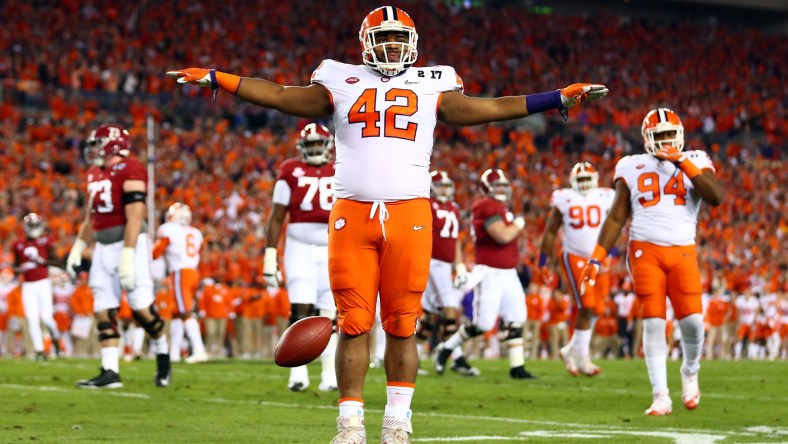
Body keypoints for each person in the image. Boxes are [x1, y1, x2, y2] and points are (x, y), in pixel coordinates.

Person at [169, 6, 607, 442]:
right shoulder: (338, 77)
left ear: (412, 44)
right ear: (366, 44)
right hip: (352, 215)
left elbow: (489, 107)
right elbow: (283, 96)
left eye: (400, 39)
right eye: (384, 39)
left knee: (402, 323)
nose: (393, 46)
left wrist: (556, 98)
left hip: (409, 214)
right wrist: (218, 78)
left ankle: (398, 423)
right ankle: (350, 426)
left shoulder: (434, 82)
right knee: (354, 321)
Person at [579, 108, 723, 415]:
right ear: (647, 140)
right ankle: (661, 395)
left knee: (694, 323)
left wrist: (683, 164)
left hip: (682, 250)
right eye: (660, 136)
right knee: (654, 322)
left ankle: (690, 369)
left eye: (671, 135)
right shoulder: (631, 165)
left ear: (681, 135)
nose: (667, 141)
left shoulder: (695, 159)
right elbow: (617, 216)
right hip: (644, 250)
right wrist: (596, 258)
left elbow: (716, 197)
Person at [65, 124, 171, 389]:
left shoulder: (131, 168)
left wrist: (127, 253)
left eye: (97, 143)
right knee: (102, 307)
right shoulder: (93, 173)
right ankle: (110, 371)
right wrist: (78, 247)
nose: (93, 149)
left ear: (112, 144)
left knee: (141, 309)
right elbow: (91, 217)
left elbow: (135, 215)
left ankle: (162, 349)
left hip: (130, 245)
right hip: (102, 247)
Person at [435, 169, 536, 380]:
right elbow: (502, 236)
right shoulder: (485, 205)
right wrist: (518, 223)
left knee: (517, 317)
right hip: (490, 273)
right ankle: (446, 348)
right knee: (483, 324)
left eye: (504, 186)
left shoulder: (500, 207)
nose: (502, 189)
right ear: (487, 188)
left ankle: (517, 367)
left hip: (509, 274)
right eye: (497, 185)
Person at [263, 123, 338, 392]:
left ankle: (329, 373)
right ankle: (297, 371)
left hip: (332, 246)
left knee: (330, 314)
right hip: (299, 246)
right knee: (300, 309)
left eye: (320, 144)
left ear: (328, 146)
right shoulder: (290, 170)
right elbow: (277, 214)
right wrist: (269, 255)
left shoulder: (340, 170)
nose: (316, 149)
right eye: (311, 145)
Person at [537, 162, 614, 376]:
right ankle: (583, 357)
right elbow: (551, 232)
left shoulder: (605, 196)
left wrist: (612, 251)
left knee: (597, 309)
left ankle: (571, 350)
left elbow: (614, 224)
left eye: (587, 179)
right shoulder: (564, 198)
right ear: (572, 182)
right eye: (580, 180)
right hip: (575, 256)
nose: (584, 184)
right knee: (586, 306)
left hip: (599, 258)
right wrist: (542, 260)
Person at [415, 170, 477, 376]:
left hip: (445, 264)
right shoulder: (426, 205)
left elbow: (455, 240)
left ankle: (409, 356)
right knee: (449, 308)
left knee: (432, 316)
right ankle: (455, 356)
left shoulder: (453, 208)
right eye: (440, 185)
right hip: (431, 262)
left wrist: (459, 266)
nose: (444, 189)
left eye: (446, 185)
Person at [152, 202, 209, 364]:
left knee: (185, 312)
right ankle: (174, 352)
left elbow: (156, 253)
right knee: (177, 313)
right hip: (193, 272)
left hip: (180, 272)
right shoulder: (196, 232)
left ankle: (199, 350)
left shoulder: (169, 229)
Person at [12, 213, 61, 360]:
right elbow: (15, 267)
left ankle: (55, 338)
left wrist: (43, 262)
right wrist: (20, 268)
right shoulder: (18, 244)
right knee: (32, 318)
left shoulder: (46, 241)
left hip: (43, 282)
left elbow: (58, 261)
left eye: (35, 226)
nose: (33, 229)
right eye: (31, 226)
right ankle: (39, 350)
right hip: (28, 285)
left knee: (46, 317)